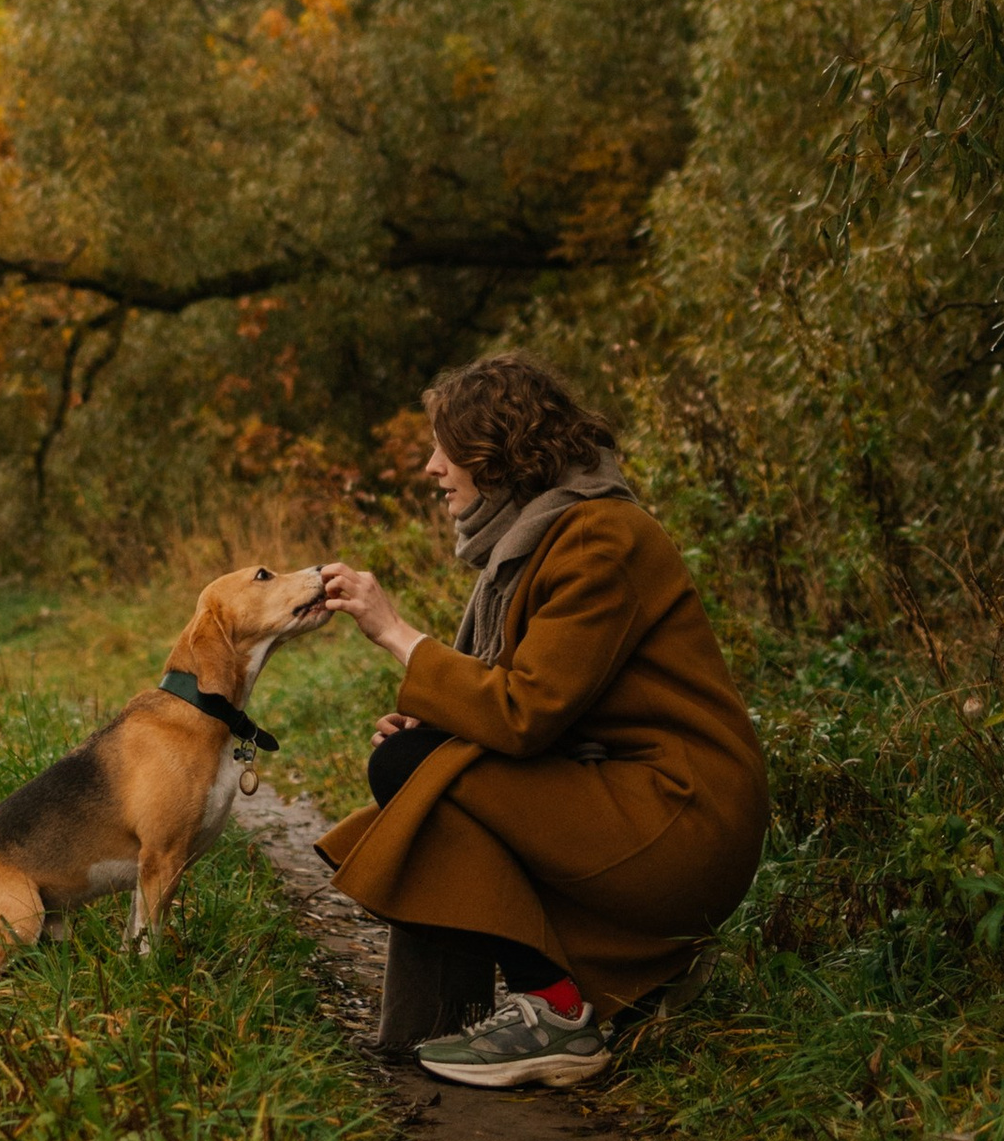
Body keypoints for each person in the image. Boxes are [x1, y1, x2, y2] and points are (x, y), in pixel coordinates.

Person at [317, 351, 767, 1089]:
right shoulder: (541, 542)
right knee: (415, 757)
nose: (433, 467)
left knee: (414, 766)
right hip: (628, 796)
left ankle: (558, 1011)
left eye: (446, 448)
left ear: (497, 454)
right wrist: (436, 731)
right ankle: (597, 991)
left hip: (682, 818)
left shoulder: (599, 539)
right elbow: (527, 699)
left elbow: (525, 713)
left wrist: (396, 632)